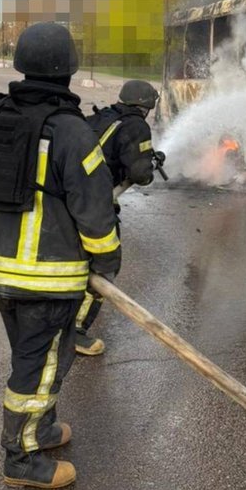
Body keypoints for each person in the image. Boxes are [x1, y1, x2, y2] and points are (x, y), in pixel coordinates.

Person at [0, 22, 120, 489]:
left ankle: (43, 428)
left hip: (0, 273)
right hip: (49, 281)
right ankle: (21, 459)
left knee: (32, 359)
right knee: (39, 367)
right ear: (70, 68)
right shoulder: (72, 132)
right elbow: (95, 212)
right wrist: (106, 261)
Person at [73, 80, 164, 356]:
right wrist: (151, 163)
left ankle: (56, 323)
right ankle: (74, 331)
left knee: (75, 264)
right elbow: (140, 174)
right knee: (105, 264)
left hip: (71, 199)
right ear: (146, 105)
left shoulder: (101, 117)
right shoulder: (136, 126)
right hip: (97, 206)